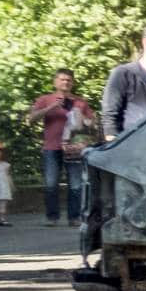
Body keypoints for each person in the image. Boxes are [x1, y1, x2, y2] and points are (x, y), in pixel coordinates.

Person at [23, 69, 96, 224]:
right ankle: (52, 217)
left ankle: (74, 217)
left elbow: (92, 124)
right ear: (55, 81)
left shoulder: (80, 102)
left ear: (73, 82)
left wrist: (81, 116)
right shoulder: (45, 99)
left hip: (74, 149)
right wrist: (52, 107)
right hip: (52, 147)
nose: (65, 82)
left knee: (76, 185)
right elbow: (31, 119)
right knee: (51, 184)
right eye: (62, 79)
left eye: (68, 80)